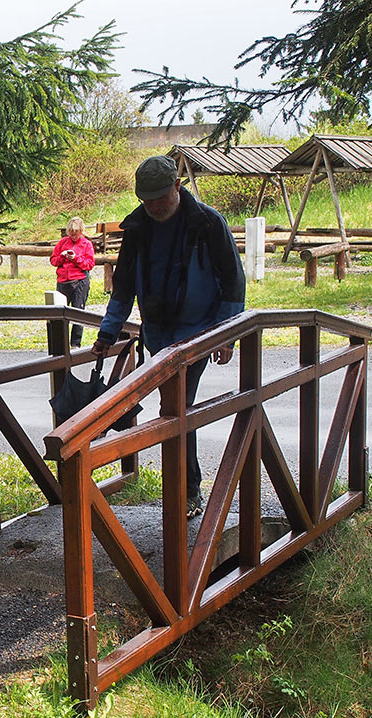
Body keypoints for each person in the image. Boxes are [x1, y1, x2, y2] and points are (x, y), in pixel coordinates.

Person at [91, 155, 246, 519]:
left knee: (175, 407)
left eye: (161, 198)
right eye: (147, 201)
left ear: (178, 186)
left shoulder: (208, 223)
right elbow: (124, 286)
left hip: (197, 334)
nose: (155, 207)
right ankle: (184, 489)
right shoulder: (139, 228)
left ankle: (185, 492)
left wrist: (226, 335)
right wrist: (108, 331)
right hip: (158, 334)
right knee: (175, 409)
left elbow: (233, 282)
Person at [50, 216, 98, 347]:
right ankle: (60, 344)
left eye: (76, 234)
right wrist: (62, 256)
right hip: (63, 281)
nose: (74, 237)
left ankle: (75, 343)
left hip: (79, 281)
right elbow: (53, 261)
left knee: (78, 312)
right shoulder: (62, 243)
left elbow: (89, 264)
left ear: (81, 232)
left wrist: (76, 258)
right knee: (60, 312)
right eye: (71, 234)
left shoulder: (87, 244)